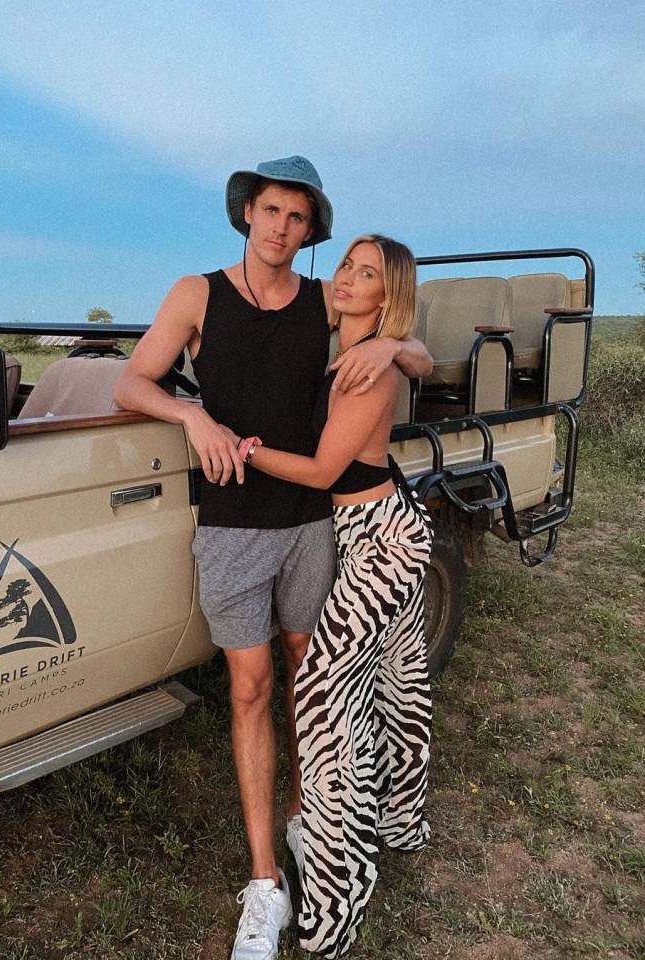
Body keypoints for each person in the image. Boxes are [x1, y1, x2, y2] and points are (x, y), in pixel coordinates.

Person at [113, 158, 432, 960]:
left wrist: (396, 347)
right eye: (271, 212)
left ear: (309, 230)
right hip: (229, 524)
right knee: (250, 690)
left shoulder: (324, 300)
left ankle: (309, 820)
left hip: (309, 522)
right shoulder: (197, 293)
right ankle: (265, 885)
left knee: (309, 679)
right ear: (246, 213)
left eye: (298, 218)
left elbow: (407, 333)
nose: (282, 229)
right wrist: (191, 415)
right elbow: (131, 384)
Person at [236, 235, 433, 957]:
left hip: (381, 536)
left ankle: (335, 889)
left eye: (368, 274)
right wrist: (395, 346)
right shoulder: (334, 336)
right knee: (395, 683)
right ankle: (397, 818)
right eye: (346, 265)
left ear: (390, 294)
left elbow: (322, 471)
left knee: (322, 696)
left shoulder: (366, 369)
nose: (348, 278)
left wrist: (242, 447)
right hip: (350, 531)